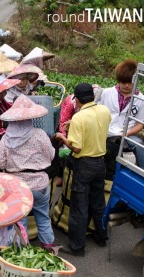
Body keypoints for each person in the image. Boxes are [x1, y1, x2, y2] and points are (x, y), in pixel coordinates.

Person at [54, 83, 111, 256]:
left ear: (77, 100)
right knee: (98, 202)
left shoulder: (79, 117)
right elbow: (96, 128)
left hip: (84, 164)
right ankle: (102, 237)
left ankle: (77, 247)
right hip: (101, 162)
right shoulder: (104, 111)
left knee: (79, 206)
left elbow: (76, 147)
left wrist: (63, 138)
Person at [0, 94, 56, 251]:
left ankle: (23, 253)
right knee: (43, 217)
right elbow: (51, 155)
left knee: (20, 221)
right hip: (40, 184)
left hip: (17, 186)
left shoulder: (6, 138)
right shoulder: (40, 134)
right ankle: (49, 250)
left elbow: (0, 161)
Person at [98, 59, 144, 173]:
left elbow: (140, 124)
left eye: (130, 83)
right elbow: (96, 112)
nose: (126, 86)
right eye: (123, 82)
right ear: (118, 80)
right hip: (104, 130)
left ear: (135, 81)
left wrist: (126, 134)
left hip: (126, 133)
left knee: (138, 144)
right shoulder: (107, 93)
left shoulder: (141, 100)